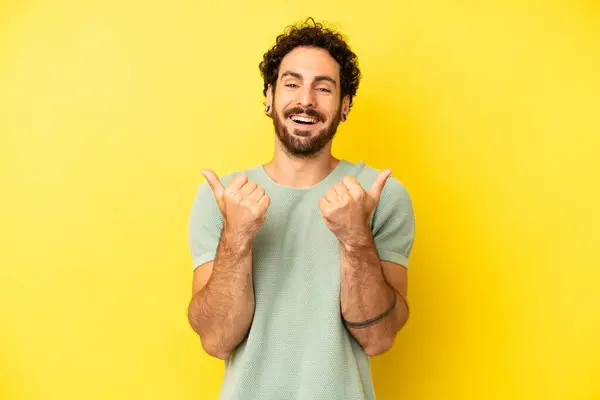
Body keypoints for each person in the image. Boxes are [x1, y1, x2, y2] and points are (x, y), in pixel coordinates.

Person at [186, 17, 416, 400]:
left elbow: (378, 338)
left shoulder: (379, 196)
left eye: (323, 88)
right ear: (269, 97)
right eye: (292, 84)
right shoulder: (223, 198)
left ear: (344, 106)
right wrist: (237, 236)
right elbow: (216, 340)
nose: (306, 100)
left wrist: (355, 236)